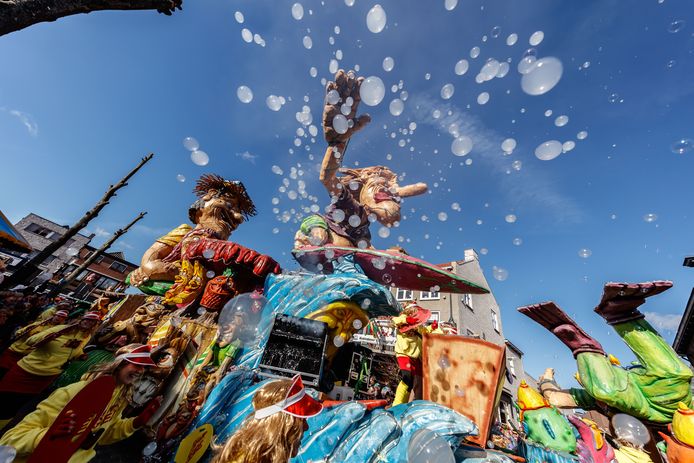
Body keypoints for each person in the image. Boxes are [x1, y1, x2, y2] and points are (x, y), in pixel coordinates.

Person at [519, 281, 693, 423]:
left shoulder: (606, 391)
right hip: (656, 404)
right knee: (675, 377)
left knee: (674, 377)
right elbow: (555, 399)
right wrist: (545, 382)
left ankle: (608, 326)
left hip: (660, 402)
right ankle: (618, 317)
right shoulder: (599, 395)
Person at [0, 344, 161, 463]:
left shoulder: (120, 398)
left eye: (144, 368)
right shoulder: (75, 391)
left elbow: (104, 435)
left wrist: (135, 423)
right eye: (137, 364)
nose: (141, 371)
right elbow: (11, 439)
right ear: (120, 363)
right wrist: (47, 437)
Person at [0, 311, 101, 424]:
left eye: (93, 322)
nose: (88, 323)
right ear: (82, 319)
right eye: (87, 319)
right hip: (26, 370)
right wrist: (49, 337)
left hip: (45, 377)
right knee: (3, 399)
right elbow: (30, 341)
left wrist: (80, 355)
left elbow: (74, 350)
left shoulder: (86, 337)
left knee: (15, 407)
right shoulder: (62, 329)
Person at [212, 374, 322, 463]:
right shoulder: (248, 459)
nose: (307, 427)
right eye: (301, 420)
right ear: (281, 424)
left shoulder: (255, 453)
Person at [391, 302, 439, 406]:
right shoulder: (403, 318)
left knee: (411, 381)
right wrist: (407, 320)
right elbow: (395, 320)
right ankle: (397, 404)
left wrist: (433, 327)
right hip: (403, 353)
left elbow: (425, 331)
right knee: (407, 377)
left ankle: (403, 404)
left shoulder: (418, 326)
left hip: (415, 356)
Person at [0, 309, 69, 378]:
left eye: (62, 317)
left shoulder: (58, 331)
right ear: (53, 316)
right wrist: (26, 330)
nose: (59, 318)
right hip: (14, 350)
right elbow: (18, 333)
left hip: (26, 357)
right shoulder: (39, 324)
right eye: (58, 316)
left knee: (9, 375)